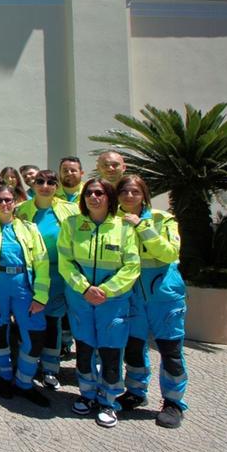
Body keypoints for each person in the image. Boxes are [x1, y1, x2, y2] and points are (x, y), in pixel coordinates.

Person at [59, 178, 140, 428]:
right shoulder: (72, 224)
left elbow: (132, 265)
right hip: (81, 297)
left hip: (112, 301)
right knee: (84, 349)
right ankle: (87, 395)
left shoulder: (123, 227)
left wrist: (105, 290)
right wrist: (84, 288)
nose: (94, 197)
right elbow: (65, 259)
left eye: (100, 193)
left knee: (110, 351)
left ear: (109, 197)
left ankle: (109, 401)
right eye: (89, 194)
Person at [115, 175, 187, 428]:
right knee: (133, 347)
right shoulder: (114, 221)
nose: (129, 196)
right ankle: (135, 392)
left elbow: (169, 253)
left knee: (170, 351)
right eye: (124, 191)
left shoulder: (161, 219)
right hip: (132, 295)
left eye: (134, 191)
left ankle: (174, 402)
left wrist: (142, 226)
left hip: (163, 296)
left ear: (143, 194)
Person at [0, 184, 51, 407]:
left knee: (34, 335)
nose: (4, 204)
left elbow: (42, 262)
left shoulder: (28, 228)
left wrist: (41, 296)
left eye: (8, 200)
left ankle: (25, 382)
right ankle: (4, 376)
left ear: (15, 201)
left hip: (23, 286)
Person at [14, 169, 79, 390]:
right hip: (29, 275)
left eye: (51, 182)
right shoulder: (22, 210)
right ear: (33, 185)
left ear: (57, 186)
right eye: (40, 181)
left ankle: (51, 369)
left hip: (58, 276)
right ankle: (27, 365)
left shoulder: (70, 210)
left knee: (53, 322)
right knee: (29, 321)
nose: (45, 186)